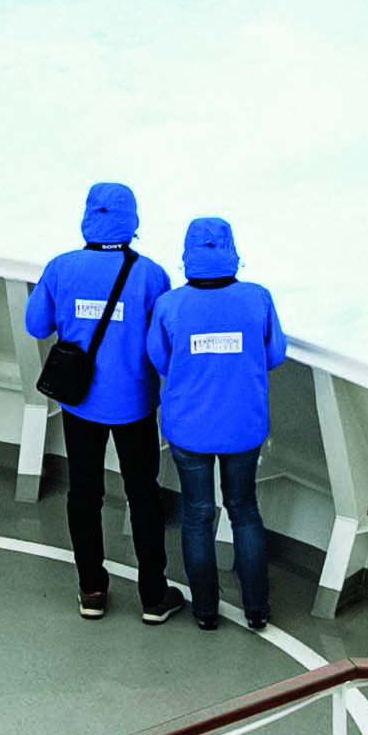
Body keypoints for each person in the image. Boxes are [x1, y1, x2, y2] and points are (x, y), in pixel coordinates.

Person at [23, 181, 177, 623]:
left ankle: (91, 589)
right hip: (135, 405)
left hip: (80, 403)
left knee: (84, 495)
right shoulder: (150, 274)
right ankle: (153, 597)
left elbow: (37, 326)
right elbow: (160, 346)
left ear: (89, 215)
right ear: (132, 220)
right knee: (144, 496)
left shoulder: (61, 268)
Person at [151, 215, 284, 638]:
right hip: (242, 427)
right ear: (231, 250)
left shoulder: (171, 305)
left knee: (197, 515)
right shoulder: (257, 298)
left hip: (189, 429)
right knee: (244, 511)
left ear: (188, 254)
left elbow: (159, 358)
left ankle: (205, 610)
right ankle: (257, 609)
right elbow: (274, 354)